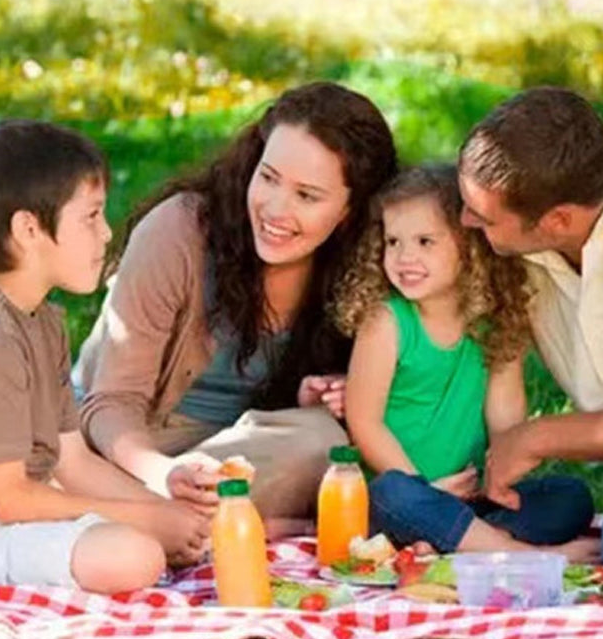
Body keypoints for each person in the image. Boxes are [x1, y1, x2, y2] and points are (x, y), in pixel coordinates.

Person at [75, 81, 398, 534]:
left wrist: (338, 393)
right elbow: (111, 401)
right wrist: (162, 474)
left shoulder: (369, 269)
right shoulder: (179, 230)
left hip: (240, 458)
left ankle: (165, 524)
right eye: (268, 178)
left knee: (323, 441)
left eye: (307, 195)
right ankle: (210, 523)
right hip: (130, 445)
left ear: (351, 211)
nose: (275, 210)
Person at [0, 119, 211, 592]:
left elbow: (72, 462)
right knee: (135, 554)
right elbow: (8, 500)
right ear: (29, 229)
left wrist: (161, 511)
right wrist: (147, 522)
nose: (107, 233)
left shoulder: (43, 321)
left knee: (156, 534)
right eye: (91, 217)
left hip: (23, 511)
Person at [334, 164, 594, 558]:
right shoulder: (386, 322)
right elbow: (364, 423)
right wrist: (424, 488)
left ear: (470, 247)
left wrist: (498, 481)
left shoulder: (495, 321)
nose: (404, 257)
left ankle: (465, 540)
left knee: (570, 496)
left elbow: (506, 423)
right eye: (392, 241)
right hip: (403, 496)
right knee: (392, 494)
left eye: (425, 241)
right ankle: (515, 553)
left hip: (469, 498)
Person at [458, 86, 603, 413]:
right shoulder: (522, 250)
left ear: (559, 220)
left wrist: (536, 436)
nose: (464, 220)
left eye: (484, 218)